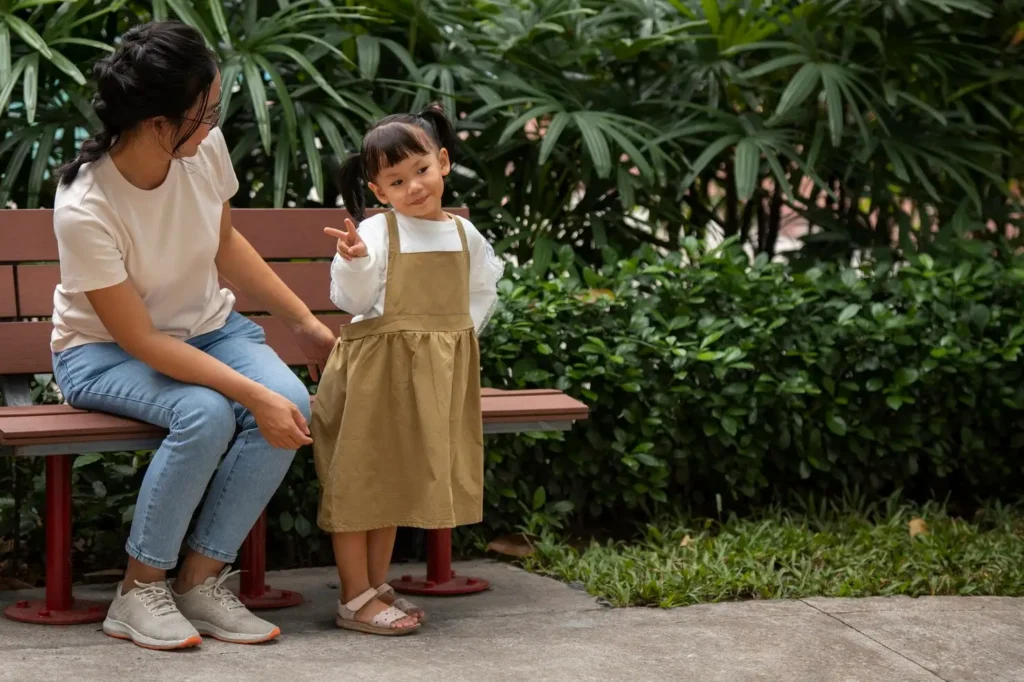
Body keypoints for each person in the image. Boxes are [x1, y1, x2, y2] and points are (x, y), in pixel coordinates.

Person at [50, 21, 336, 650]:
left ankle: (199, 584)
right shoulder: (85, 206)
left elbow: (225, 242)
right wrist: (250, 396)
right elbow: (143, 343)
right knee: (206, 413)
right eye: (205, 112)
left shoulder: (200, 149)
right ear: (159, 123)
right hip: (102, 356)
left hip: (210, 329)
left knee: (290, 402)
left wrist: (305, 324)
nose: (213, 123)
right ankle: (137, 590)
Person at [311, 104, 503, 636]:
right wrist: (351, 260)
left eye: (420, 170)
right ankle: (354, 597)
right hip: (374, 379)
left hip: (427, 381)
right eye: (396, 180)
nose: (413, 186)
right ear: (379, 192)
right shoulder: (377, 234)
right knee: (359, 481)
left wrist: (449, 344)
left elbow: (480, 294)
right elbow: (351, 299)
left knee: (391, 483)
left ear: (442, 162)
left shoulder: (466, 236)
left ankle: (375, 587)